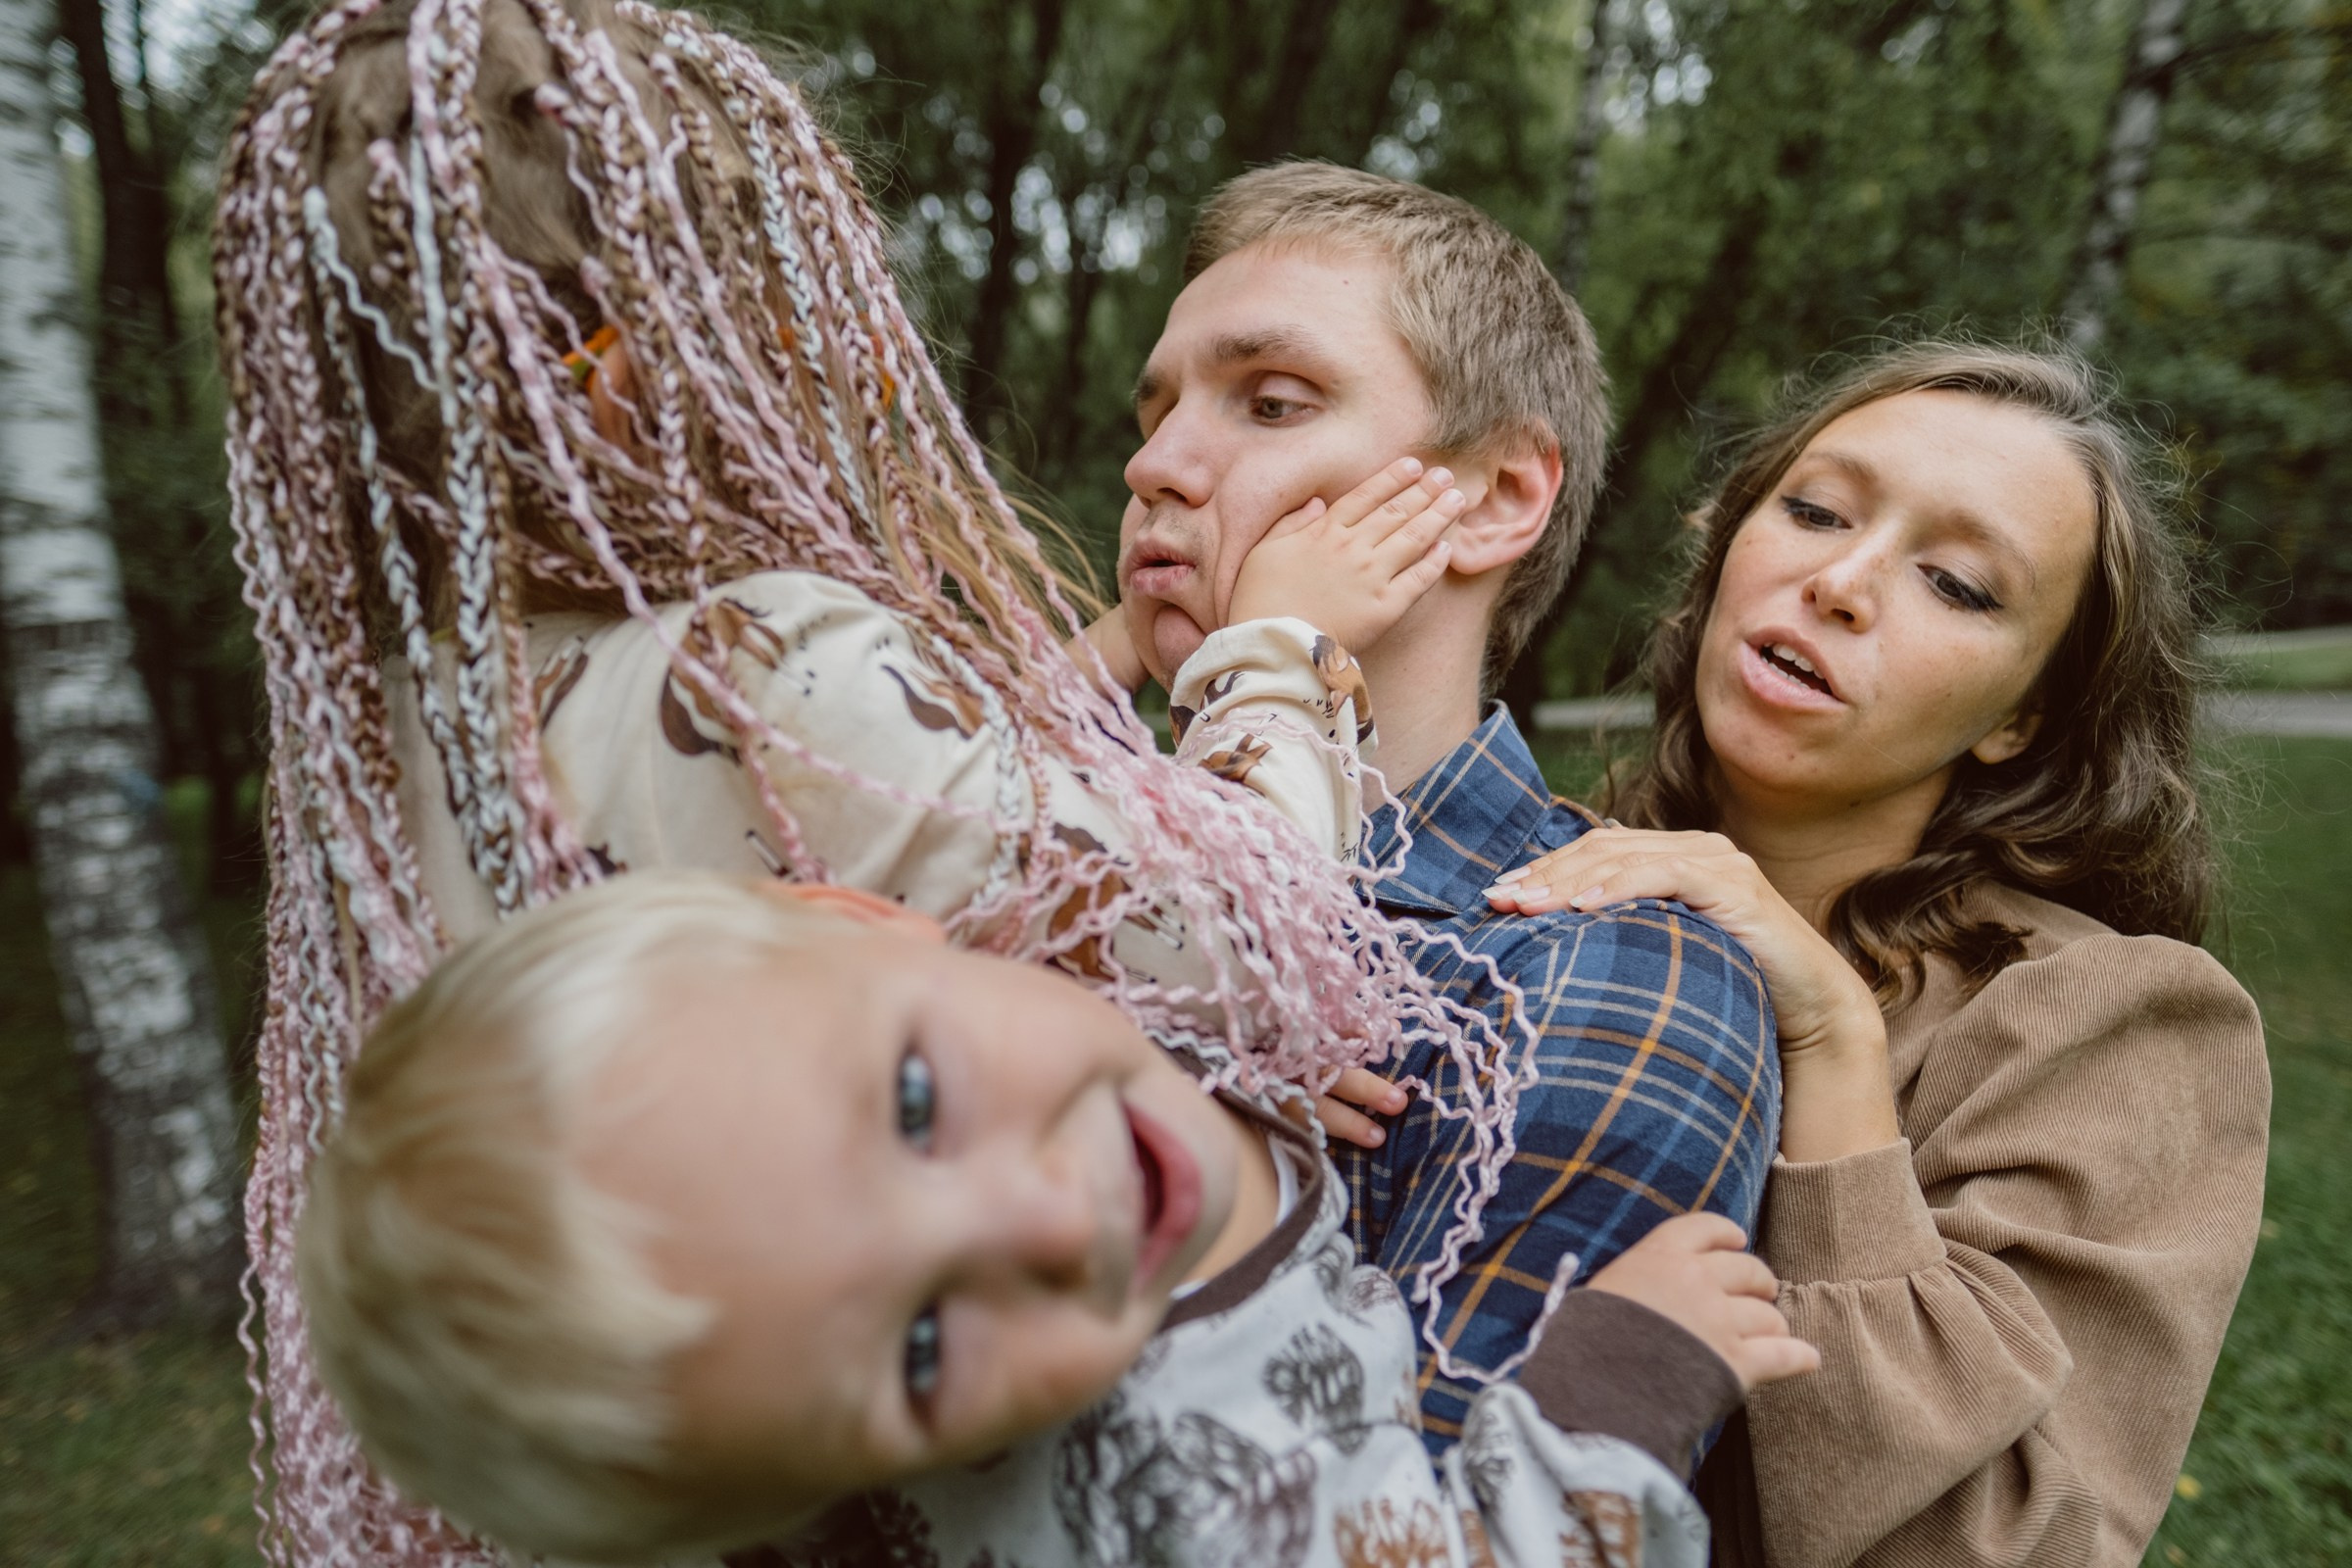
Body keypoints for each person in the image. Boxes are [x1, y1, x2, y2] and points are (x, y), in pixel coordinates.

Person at [212, 7, 1526, 1562]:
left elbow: (902, 844)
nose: (825, 356)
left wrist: (1091, 665)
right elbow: (1242, 946)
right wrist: (1272, 645)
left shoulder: (412, 732)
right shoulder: (759, 660)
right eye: (784, 305)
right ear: (625, 368)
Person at [299, 869, 1820, 1567]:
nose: (1043, 1220)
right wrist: (1613, 1395)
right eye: (919, 1350)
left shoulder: (1101, 992)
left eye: (912, 1107)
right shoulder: (1200, 1490)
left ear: (859, 916)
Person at [1485, 341, 2271, 1567]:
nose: (1839, 580)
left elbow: (1999, 1548)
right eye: (1811, 510)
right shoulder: (1541, 871)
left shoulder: (2121, 1022)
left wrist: (1836, 1050)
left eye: (1958, 583)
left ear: (2025, 717)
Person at [1108, 161, 1779, 1447]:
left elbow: (1441, 1503)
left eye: (1272, 400)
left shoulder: (1599, 972)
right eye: (1156, 408)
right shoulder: (1040, 844)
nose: (1157, 462)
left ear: (1492, 499)